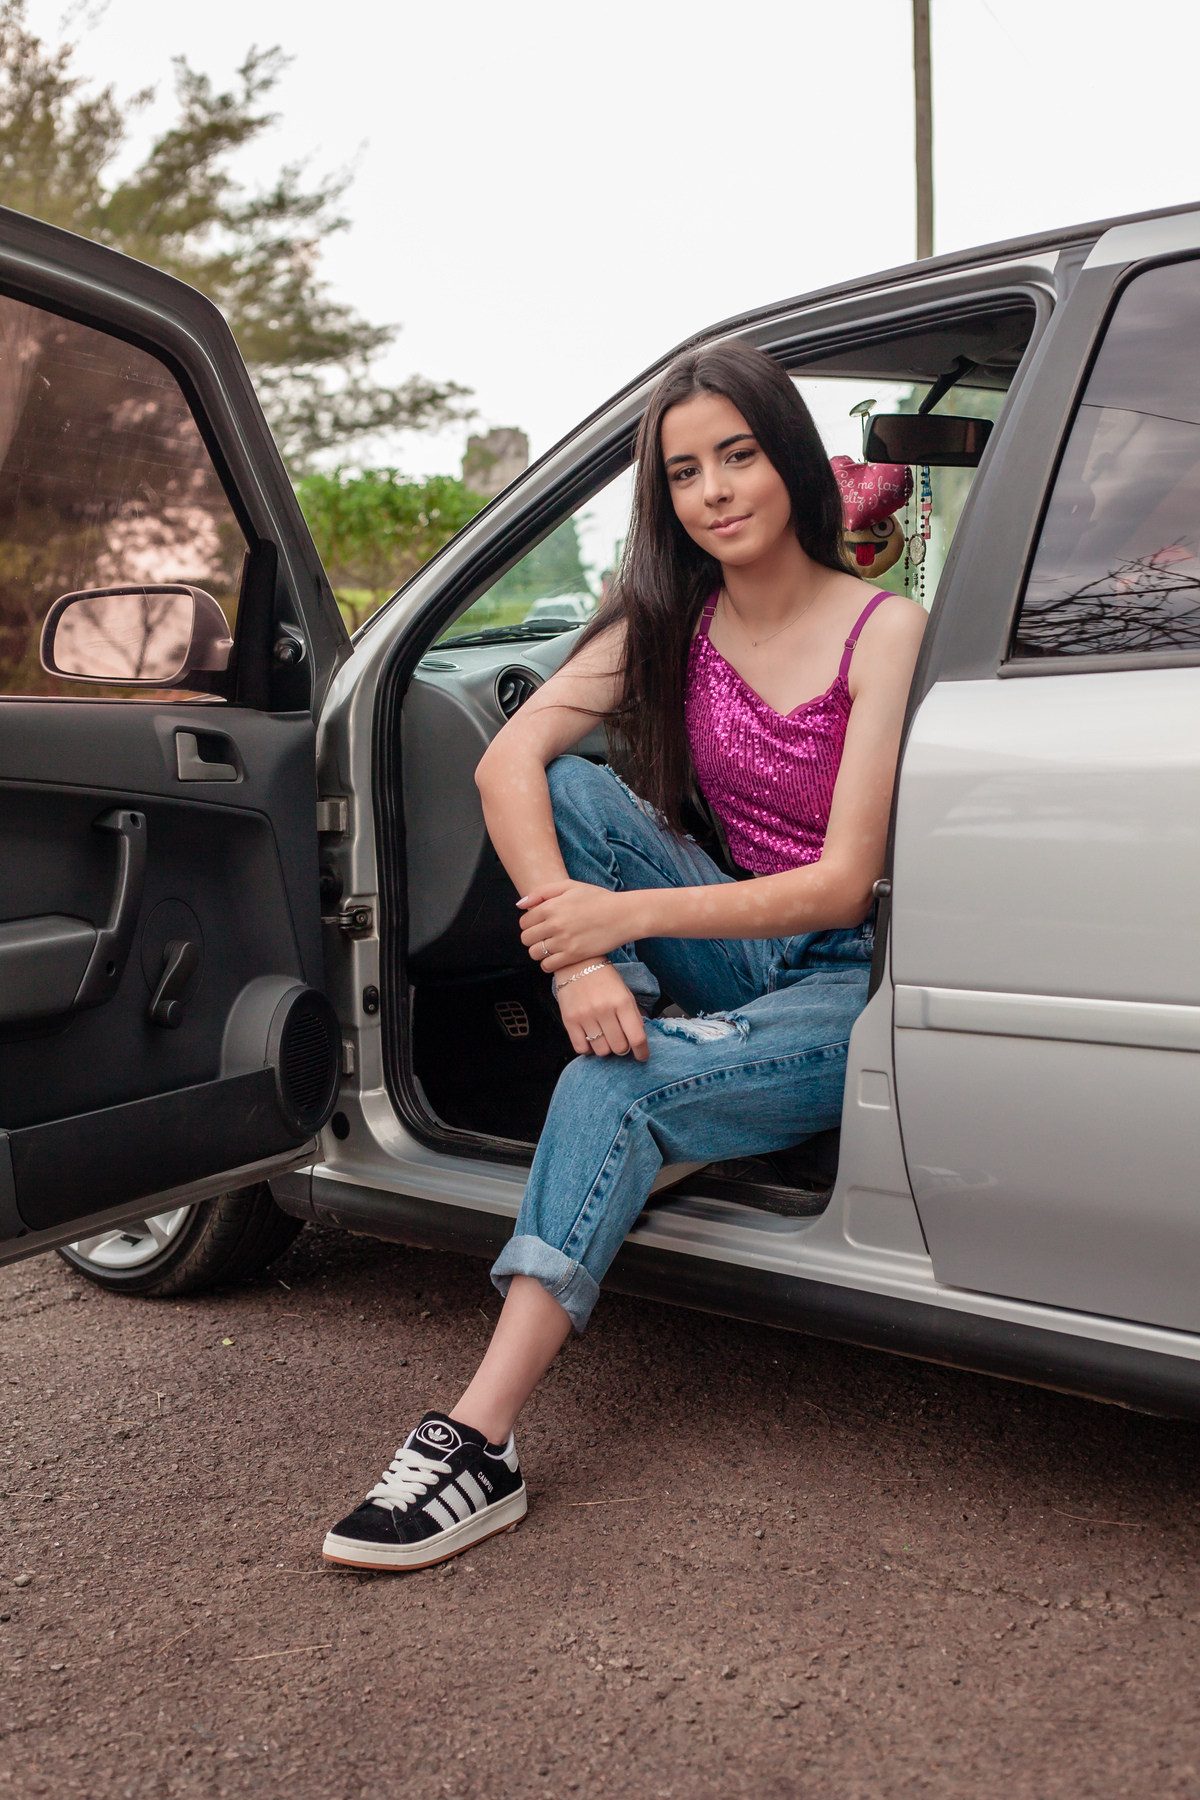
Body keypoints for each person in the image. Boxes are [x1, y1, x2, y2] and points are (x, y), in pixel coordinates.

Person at [321, 341, 927, 1570]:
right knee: (569, 788)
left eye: (738, 456)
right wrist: (581, 963)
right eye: (685, 472)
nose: (715, 492)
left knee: (608, 1088)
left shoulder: (885, 628)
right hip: (720, 946)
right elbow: (506, 762)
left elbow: (840, 881)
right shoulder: (670, 620)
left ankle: (477, 1443)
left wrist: (622, 920)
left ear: (788, 459)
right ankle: (662, 1035)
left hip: (845, 979)